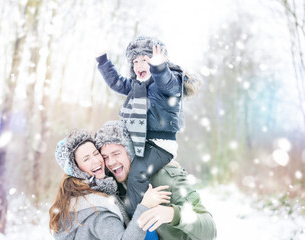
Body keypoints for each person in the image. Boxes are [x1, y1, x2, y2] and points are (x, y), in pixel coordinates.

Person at [96, 36, 200, 214]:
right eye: (135, 61)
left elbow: (168, 84)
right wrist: (103, 60)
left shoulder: (167, 83)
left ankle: (141, 222)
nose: (138, 65)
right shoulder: (138, 86)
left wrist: (160, 67)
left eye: (144, 59)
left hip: (160, 144)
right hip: (142, 142)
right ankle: (119, 209)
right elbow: (117, 83)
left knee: (136, 176)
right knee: (119, 167)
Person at [95, 121, 217, 240]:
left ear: (131, 151)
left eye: (116, 154)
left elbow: (210, 230)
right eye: (105, 157)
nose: (110, 162)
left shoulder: (165, 177)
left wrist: (172, 214)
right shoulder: (116, 187)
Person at [49, 129, 172, 240]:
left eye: (96, 153)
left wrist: (160, 165)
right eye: (86, 159)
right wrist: (145, 206)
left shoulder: (80, 196)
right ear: (77, 170)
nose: (96, 160)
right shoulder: (96, 211)